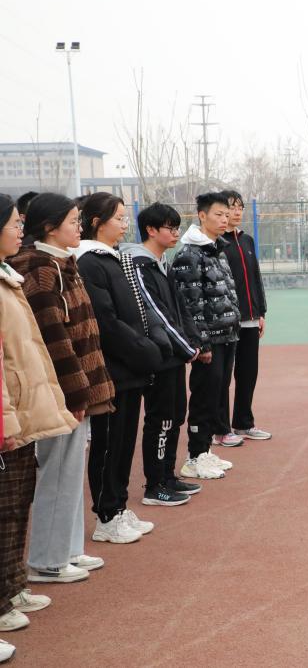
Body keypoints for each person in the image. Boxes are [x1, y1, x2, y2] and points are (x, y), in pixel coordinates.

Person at [10, 194, 116, 573]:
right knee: (57, 470)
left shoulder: (61, 263)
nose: (79, 227)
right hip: (60, 391)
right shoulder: (41, 269)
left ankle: (68, 549)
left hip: (74, 387)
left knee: (70, 470)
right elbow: (54, 338)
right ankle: (48, 560)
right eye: (73, 221)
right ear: (50, 227)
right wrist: (75, 393)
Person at [0, 195, 76, 633]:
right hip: (8, 414)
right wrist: (8, 420)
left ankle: (12, 586)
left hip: (22, 407)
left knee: (16, 506)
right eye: (14, 223)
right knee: (5, 508)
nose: (19, 230)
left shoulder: (9, 276)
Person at [75, 192, 168, 536]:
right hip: (113, 369)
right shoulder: (89, 262)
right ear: (96, 222)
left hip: (131, 369)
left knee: (124, 443)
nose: (125, 224)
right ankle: (106, 516)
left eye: (125, 217)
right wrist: (145, 351)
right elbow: (107, 322)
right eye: (118, 218)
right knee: (108, 444)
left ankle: (119, 506)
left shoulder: (113, 258)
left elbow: (135, 312)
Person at [124, 203, 205, 506]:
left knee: (175, 416)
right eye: (170, 228)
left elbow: (179, 309)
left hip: (175, 355)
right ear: (151, 230)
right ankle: (155, 485)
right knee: (160, 419)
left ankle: (168, 476)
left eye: (176, 227)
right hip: (160, 356)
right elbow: (156, 313)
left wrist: (192, 341)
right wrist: (186, 347)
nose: (176, 233)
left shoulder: (162, 263)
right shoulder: (139, 265)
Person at [171, 192, 240, 480]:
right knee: (203, 397)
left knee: (216, 396)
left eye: (227, 214)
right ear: (202, 215)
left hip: (227, 335)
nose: (225, 219)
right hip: (209, 340)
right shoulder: (189, 254)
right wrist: (201, 342)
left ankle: (204, 451)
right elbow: (189, 303)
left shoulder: (216, 249)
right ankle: (194, 457)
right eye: (218, 214)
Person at [222, 191, 271, 443]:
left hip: (250, 319)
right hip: (226, 321)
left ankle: (243, 423)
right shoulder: (216, 242)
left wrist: (260, 312)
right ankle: (220, 429)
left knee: (248, 373)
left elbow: (255, 277)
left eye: (240, 207)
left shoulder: (247, 240)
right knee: (222, 376)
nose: (237, 211)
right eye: (232, 207)